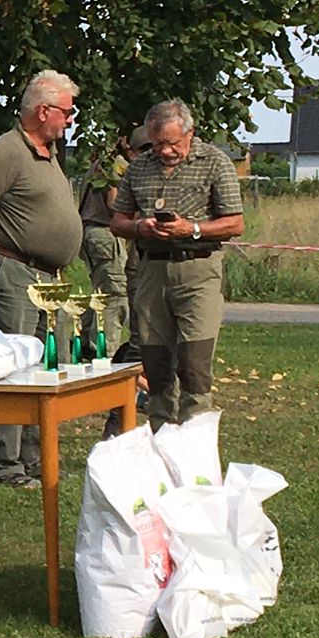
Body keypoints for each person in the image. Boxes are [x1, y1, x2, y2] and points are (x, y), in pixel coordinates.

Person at [0, 70, 85, 489]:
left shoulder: (48, 153)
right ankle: (5, 463)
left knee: (46, 366)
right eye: (67, 112)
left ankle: (36, 455)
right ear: (43, 110)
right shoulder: (6, 152)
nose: (70, 120)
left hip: (48, 276)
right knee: (10, 365)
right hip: (14, 271)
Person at [109, 100, 244, 427]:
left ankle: (194, 447)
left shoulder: (215, 162)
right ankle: (160, 442)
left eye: (172, 143)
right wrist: (141, 227)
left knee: (194, 366)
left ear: (190, 133)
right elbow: (117, 221)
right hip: (152, 271)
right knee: (156, 365)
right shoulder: (139, 168)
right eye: (158, 144)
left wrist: (192, 229)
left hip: (198, 270)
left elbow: (235, 223)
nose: (166, 151)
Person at [74, 129, 134, 352]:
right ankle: (104, 353)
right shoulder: (116, 165)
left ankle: (82, 347)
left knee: (100, 293)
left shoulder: (99, 163)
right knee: (115, 296)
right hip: (106, 234)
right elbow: (114, 203)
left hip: (91, 233)